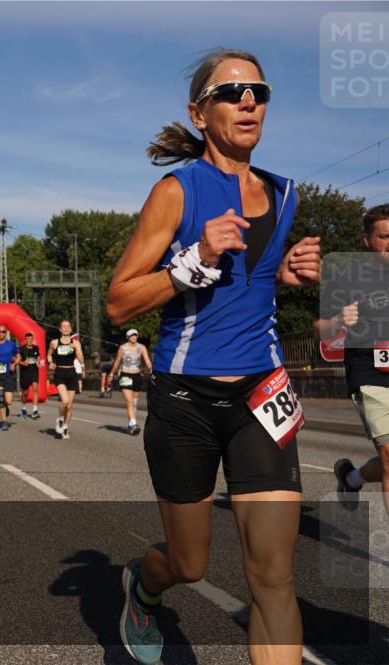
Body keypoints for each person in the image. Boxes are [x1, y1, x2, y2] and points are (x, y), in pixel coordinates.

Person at [106, 50, 321, 665]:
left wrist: (284, 273)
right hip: (186, 398)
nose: (248, 101)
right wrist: (192, 261)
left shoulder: (284, 194)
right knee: (189, 562)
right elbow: (119, 303)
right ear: (200, 114)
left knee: (274, 576)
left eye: (258, 91)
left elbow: (250, 282)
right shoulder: (177, 191)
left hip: (262, 393)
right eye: (231, 92)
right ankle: (144, 588)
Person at [325, 204, 389, 517]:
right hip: (370, 372)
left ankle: (352, 479)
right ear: (367, 240)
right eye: (385, 236)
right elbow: (323, 327)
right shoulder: (349, 277)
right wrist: (338, 318)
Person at [109, 329, 152, 435]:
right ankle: (134, 424)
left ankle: (130, 423)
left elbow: (147, 361)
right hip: (125, 375)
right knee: (130, 402)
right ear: (127, 337)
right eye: (131, 335)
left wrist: (152, 369)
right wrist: (111, 373)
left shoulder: (141, 347)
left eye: (135, 335)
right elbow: (117, 361)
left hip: (137, 376)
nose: (134, 337)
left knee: (134, 403)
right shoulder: (123, 348)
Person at [47, 320, 85, 439]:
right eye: (64, 326)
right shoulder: (54, 343)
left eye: (68, 326)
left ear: (71, 329)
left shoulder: (76, 343)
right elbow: (49, 355)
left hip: (72, 373)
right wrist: (50, 362)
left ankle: (65, 427)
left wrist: (77, 349)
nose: (66, 328)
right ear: (60, 329)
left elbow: (81, 359)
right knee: (65, 401)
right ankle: (59, 419)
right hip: (60, 373)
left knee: (69, 405)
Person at [0, 326, 20, 431]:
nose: (1, 333)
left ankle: (6, 406)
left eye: (3, 332)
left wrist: (14, 364)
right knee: (0, 398)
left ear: (6, 333)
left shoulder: (11, 345)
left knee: (8, 401)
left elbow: (18, 356)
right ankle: (4, 422)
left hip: (8, 374)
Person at [18, 332, 42, 419]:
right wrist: (22, 363)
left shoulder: (36, 348)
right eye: (28, 339)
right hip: (25, 373)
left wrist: (38, 362)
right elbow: (16, 359)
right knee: (25, 393)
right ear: (26, 340)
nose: (30, 341)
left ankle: (35, 410)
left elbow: (38, 356)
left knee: (35, 389)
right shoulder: (21, 349)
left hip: (34, 372)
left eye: (31, 339)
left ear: (33, 340)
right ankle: (23, 408)